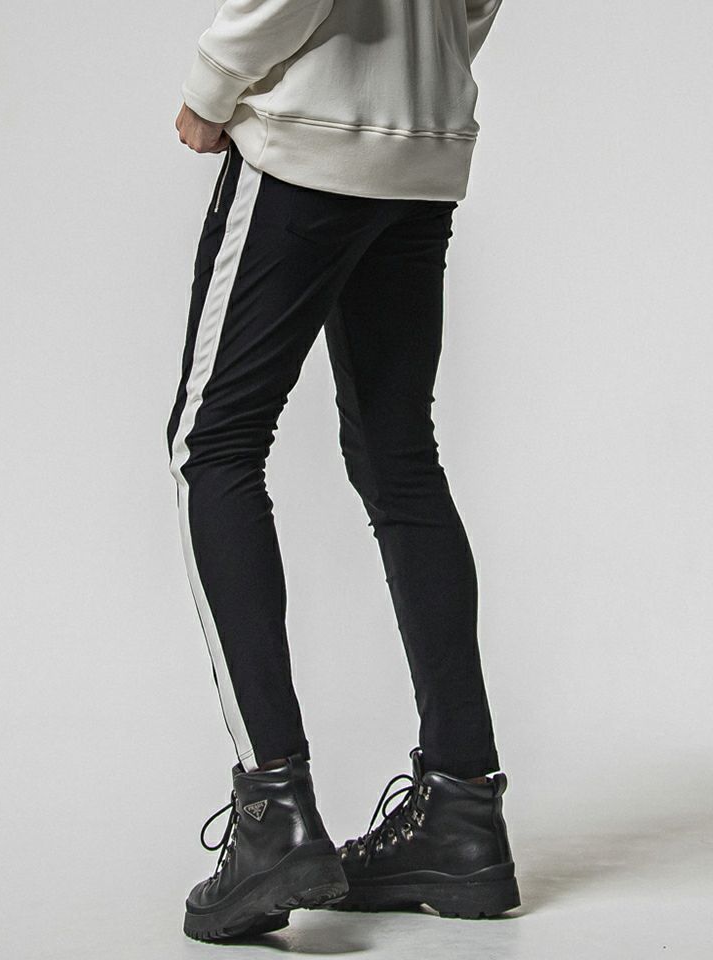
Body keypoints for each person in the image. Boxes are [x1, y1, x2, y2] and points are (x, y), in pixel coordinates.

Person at [167, 0, 519, 942]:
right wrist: (425, 67)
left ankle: (273, 811)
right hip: (424, 146)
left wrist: (213, 81)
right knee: (401, 459)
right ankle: (462, 813)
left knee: (214, 447)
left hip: (306, 141)